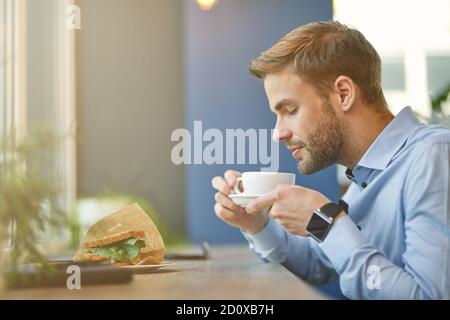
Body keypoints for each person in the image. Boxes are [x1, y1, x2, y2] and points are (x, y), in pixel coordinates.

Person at [211, 21, 450, 300]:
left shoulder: (432, 157)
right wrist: (256, 224)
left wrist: (329, 223)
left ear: (343, 94)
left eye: (290, 110)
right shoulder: (364, 178)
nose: (278, 133)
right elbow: (320, 263)